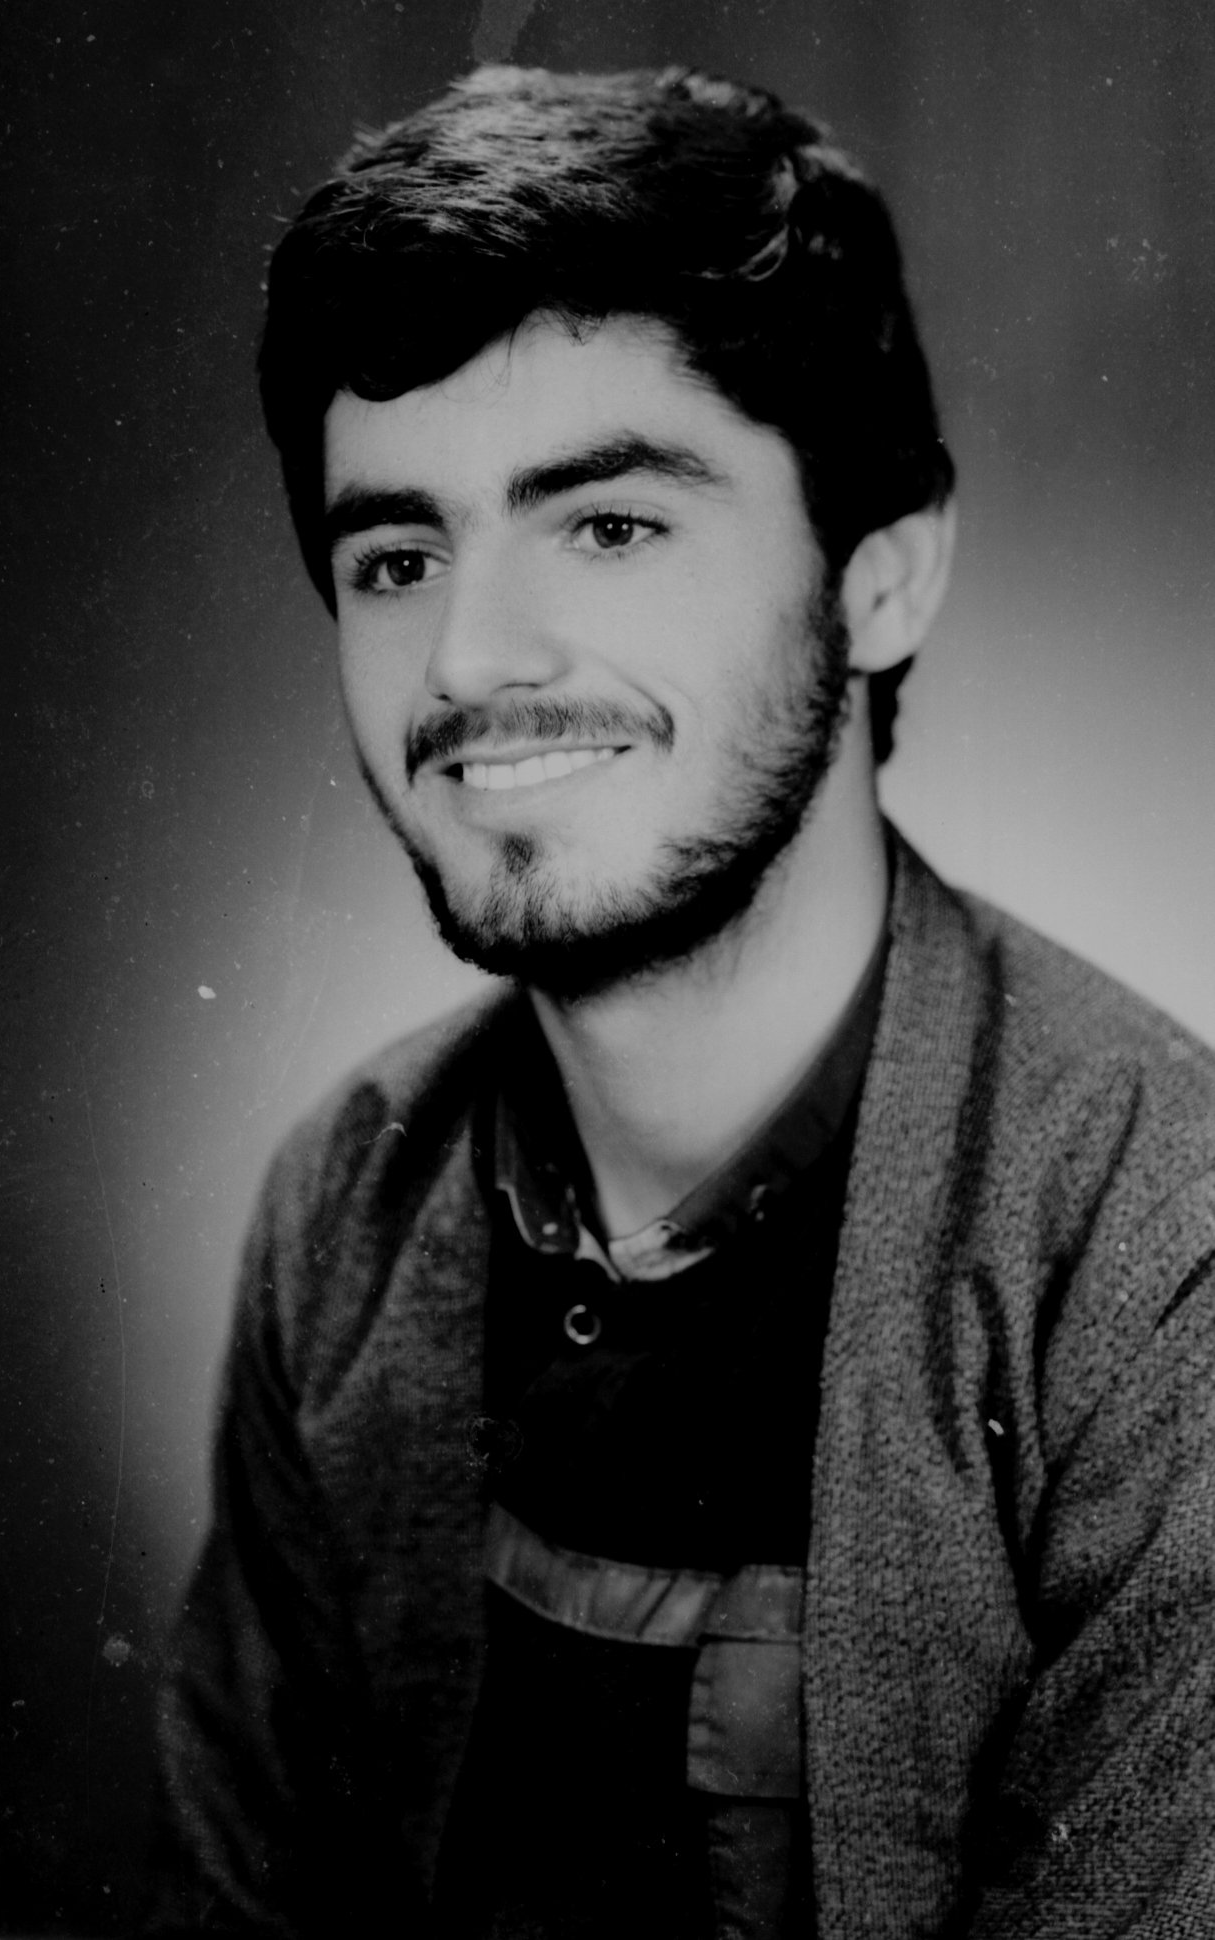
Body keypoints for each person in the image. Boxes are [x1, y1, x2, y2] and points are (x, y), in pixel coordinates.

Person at [150, 64, 1215, 1939]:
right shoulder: (344, 1202)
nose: (469, 657)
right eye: (397, 557)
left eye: (610, 526)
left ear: (881, 579)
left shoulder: (1156, 1256)